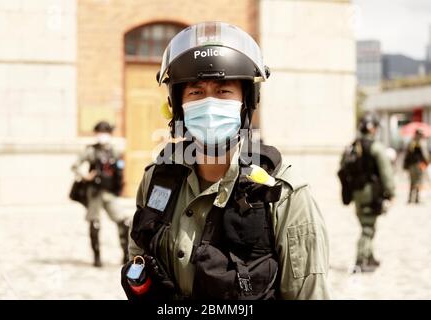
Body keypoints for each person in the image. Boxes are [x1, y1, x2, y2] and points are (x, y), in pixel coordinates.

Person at [121, 21, 330, 300]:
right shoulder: (157, 180)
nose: (209, 104)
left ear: (247, 101)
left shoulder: (283, 194)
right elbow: (138, 259)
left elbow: (309, 294)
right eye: (196, 92)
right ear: (177, 106)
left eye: (223, 91)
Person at [71, 121, 129, 267]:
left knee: (124, 222)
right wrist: (85, 176)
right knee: (95, 223)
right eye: (99, 133)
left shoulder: (114, 151)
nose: (102, 136)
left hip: (110, 192)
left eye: (105, 133)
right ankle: (97, 257)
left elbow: (119, 170)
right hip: (95, 192)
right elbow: (75, 166)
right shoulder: (90, 150)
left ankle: (126, 255)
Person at [345, 113, 395, 273]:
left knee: (367, 223)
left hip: (356, 193)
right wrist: (391, 192)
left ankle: (370, 256)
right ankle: (360, 261)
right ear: (372, 128)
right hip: (371, 193)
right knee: (367, 228)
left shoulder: (352, 146)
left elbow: (343, 169)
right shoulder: (376, 147)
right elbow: (386, 172)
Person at [403, 128, 430, 204]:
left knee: (412, 181)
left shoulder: (411, 142)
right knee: (418, 181)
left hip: (412, 165)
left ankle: (411, 198)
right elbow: (425, 155)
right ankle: (416, 198)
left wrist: (405, 165)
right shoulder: (421, 143)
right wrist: (427, 162)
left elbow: (407, 155)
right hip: (418, 165)